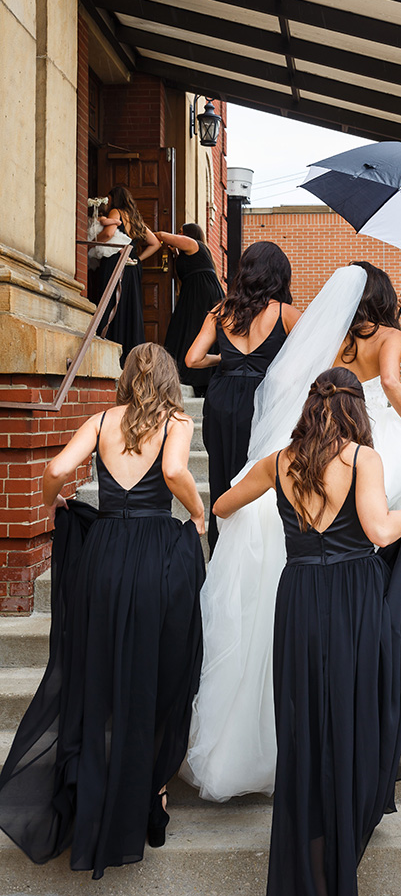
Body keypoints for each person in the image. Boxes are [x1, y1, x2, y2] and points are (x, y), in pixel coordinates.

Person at [213, 367, 401, 896]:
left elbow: (221, 506)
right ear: (354, 409)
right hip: (354, 598)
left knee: (305, 722)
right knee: (356, 712)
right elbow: (379, 531)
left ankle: (310, 842)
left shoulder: (280, 462)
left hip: (299, 596)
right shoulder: (362, 459)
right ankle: (346, 828)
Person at [0, 344, 206, 880]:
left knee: (99, 671)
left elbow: (55, 468)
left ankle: (93, 784)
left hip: (105, 555)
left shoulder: (100, 419)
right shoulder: (177, 419)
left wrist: (51, 503)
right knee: (161, 673)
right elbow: (177, 471)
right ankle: (151, 793)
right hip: (156, 556)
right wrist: (199, 515)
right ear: (168, 378)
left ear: (124, 378)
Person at [186, 241, 301, 551]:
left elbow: (192, 359)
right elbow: (309, 362)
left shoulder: (220, 311)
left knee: (221, 474)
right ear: (279, 276)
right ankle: (258, 550)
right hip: (264, 400)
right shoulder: (286, 313)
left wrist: (223, 360)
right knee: (260, 476)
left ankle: (223, 547)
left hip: (222, 398)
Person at [334, 261, 401, 550]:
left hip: (339, 421)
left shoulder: (334, 336)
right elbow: (390, 382)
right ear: (383, 297)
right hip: (379, 425)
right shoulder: (389, 335)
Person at [95, 186, 161, 367]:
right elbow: (155, 243)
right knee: (129, 308)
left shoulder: (116, 212)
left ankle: (110, 350)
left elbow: (109, 234)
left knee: (112, 303)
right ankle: (132, 358)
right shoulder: (135, 218)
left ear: (113, 199)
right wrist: (138, 258)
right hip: (132, 267)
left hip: (116, 262)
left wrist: (93, 243)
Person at [156, 223, 224, 396]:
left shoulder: (194, 244)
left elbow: (163, 234)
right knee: (184, 328)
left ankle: (196, 377)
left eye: (181, 232)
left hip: (201, 293)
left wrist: (149, 233)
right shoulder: (190, 252)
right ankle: (182, 372)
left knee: (194, 329)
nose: (179, 235)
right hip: (193, 292)